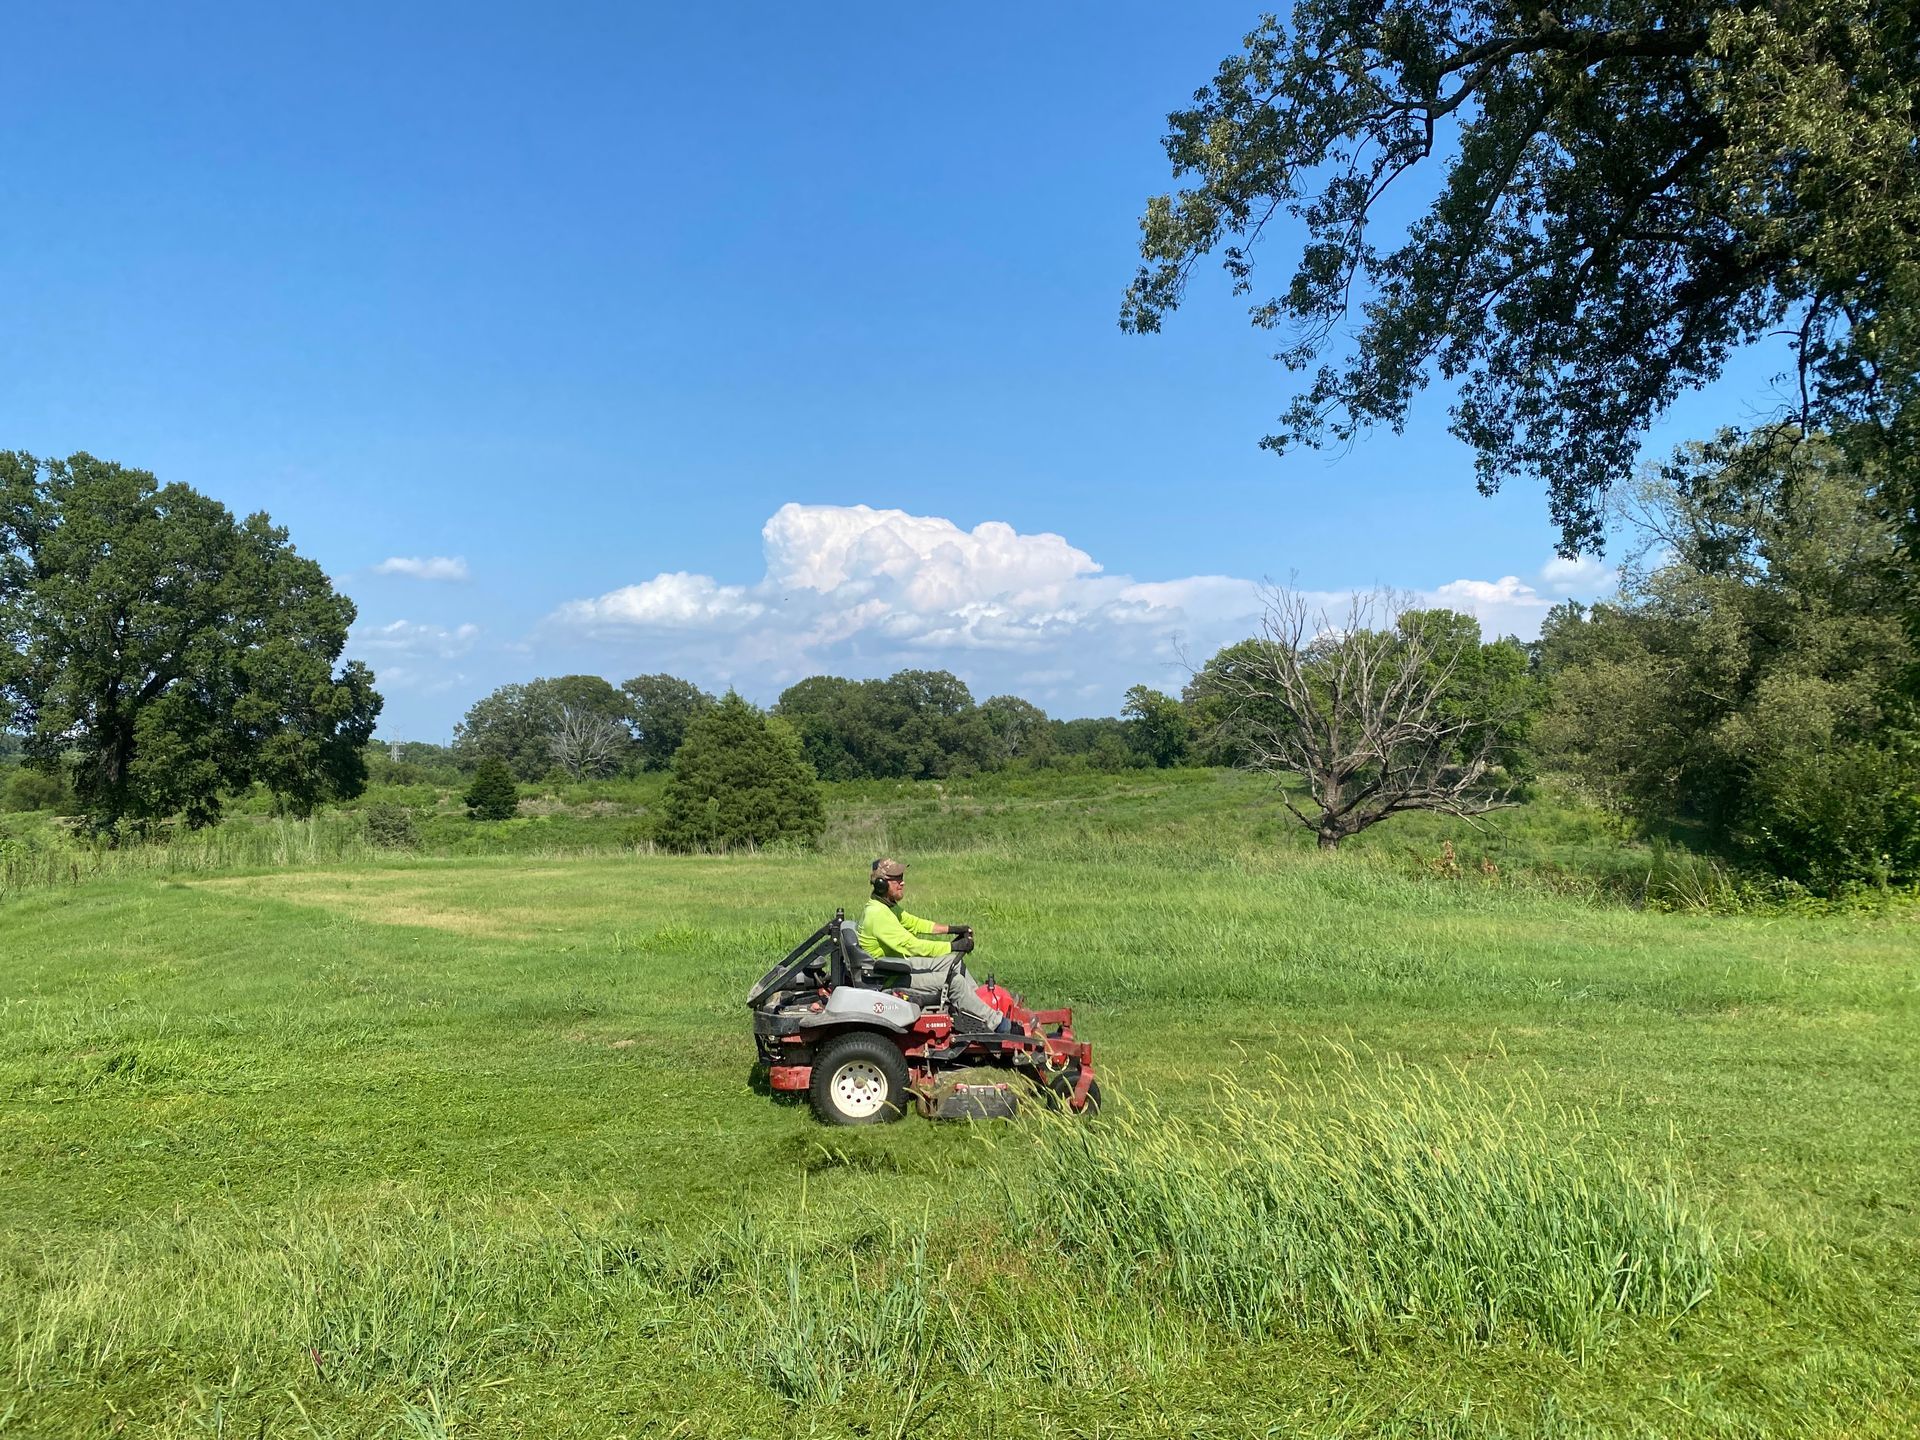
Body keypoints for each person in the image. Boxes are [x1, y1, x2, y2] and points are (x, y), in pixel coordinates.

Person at [857, 858, 1015, 1034]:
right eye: (897, 879)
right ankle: (999, 1025)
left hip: (895, 967)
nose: (903, 882)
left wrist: (953, 929)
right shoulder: (877, 914)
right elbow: (913, 946)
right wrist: (953, 946)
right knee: (954, 982)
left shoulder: (886, 907)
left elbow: (915, 924)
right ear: (881, 884)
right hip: (889, 978)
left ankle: (979, 1010)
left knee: (954, 962)